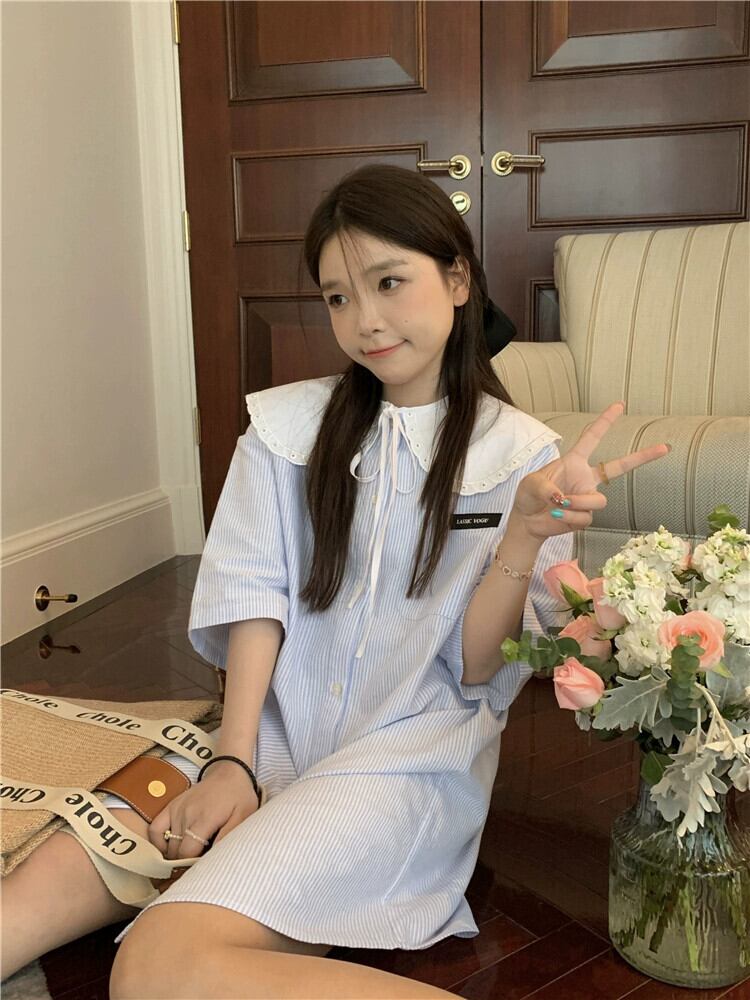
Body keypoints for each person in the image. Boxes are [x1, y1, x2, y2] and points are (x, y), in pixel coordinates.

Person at [2, 164, 669, 999]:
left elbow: (475, 669)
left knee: (156, 967)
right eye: (339, 297)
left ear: (457, 279)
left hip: (404, 762)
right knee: (25, 900)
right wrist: (233, 761)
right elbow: (255, 597)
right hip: (268, 736)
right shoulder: (286, 429)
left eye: (389, 282)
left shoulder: (521, 456)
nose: (365, 320)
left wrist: (524, 534)